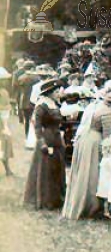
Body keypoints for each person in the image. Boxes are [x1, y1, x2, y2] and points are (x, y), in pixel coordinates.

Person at [62, 89, 111, 220]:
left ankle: (80, 203)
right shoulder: (107, 111)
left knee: (83, 172)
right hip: (94, 142)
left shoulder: (94, 105)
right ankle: (92, 206)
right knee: (93, 173)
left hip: (84, 139)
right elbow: (108, 136)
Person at [24, 79, 66, 210]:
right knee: (46, 169)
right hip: (47, 138)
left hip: (57, 138)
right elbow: (37, 126)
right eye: (56, 90)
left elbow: (60, 121)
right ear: (50, 92)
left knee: (56, 168)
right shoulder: (42, 105)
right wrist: (42, 143)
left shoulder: (54, 104)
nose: (59, 92)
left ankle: (56, 198)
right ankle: (45, 200)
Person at [0, 81, 14, 176]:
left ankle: (7, 168)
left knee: (4, 145)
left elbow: (7, 106)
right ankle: (7, 169)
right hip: (3, 120)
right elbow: (8, 106)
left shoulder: (3, 92)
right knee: (4, 145)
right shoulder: (4, 91)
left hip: (2, 121)